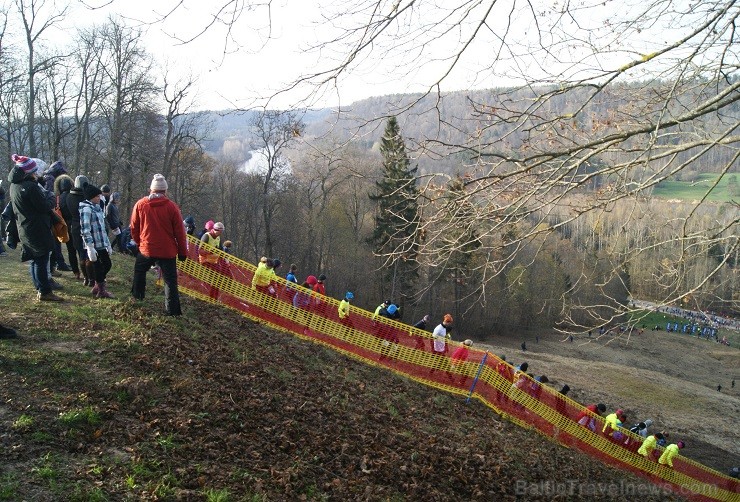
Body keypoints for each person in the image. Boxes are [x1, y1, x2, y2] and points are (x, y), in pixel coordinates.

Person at [130, 174, 188, 316]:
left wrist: (139, 243)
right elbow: (180, 233)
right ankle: (172, 311)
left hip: (147, 248)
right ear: (165, 191)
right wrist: (182, 252)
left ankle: (137, 298)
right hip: (167, 251)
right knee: (170, 281)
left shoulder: (140, 205)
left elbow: (133, 227)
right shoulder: (172, 207)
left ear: (151, 189)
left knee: (139, 271)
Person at [8, 154, 63, 302]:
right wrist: (51, 196)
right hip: (37, 227)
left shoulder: (15, 185)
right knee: (41, 259)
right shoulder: (30, 187)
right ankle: (45, 291)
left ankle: (39, 287)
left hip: (25, 226)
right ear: (28, 171)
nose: (36, 173)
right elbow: (44, 206)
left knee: (34, 258)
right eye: (34, 171)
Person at [80, 183, 114, 298]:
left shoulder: (98, 208)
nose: (99, 198)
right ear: (91, 197)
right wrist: (89, 247)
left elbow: (102, 229)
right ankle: (101, 290)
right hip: (93, 244)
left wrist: (108, 244)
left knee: (107, 264)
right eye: (97, 196)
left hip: (101, 243)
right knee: (98, 267)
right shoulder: (86, 209)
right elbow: (85, 229)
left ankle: (97, 285)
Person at [41, 160, 72, 273]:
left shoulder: (47, 177)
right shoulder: (50, 180)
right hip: (51, 212)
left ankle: (58, 263)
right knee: (55, 241)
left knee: (55, 240)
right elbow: (50, 195)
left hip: (50, 211)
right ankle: (57, 263)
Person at [54, 174, 82, 281]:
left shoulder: (57, 198)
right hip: (75, 225)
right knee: (80, 249)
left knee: (71, 251)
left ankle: (76, 272)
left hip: (65, 227)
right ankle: (85, 271)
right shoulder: (73, 196)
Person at [66, 175, 94, 286]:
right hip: (87, 225)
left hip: (75, 226)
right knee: (89, 254)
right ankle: (91, 278)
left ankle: (85, 278)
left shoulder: (69, 196)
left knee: (81, 253)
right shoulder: (87, 198)